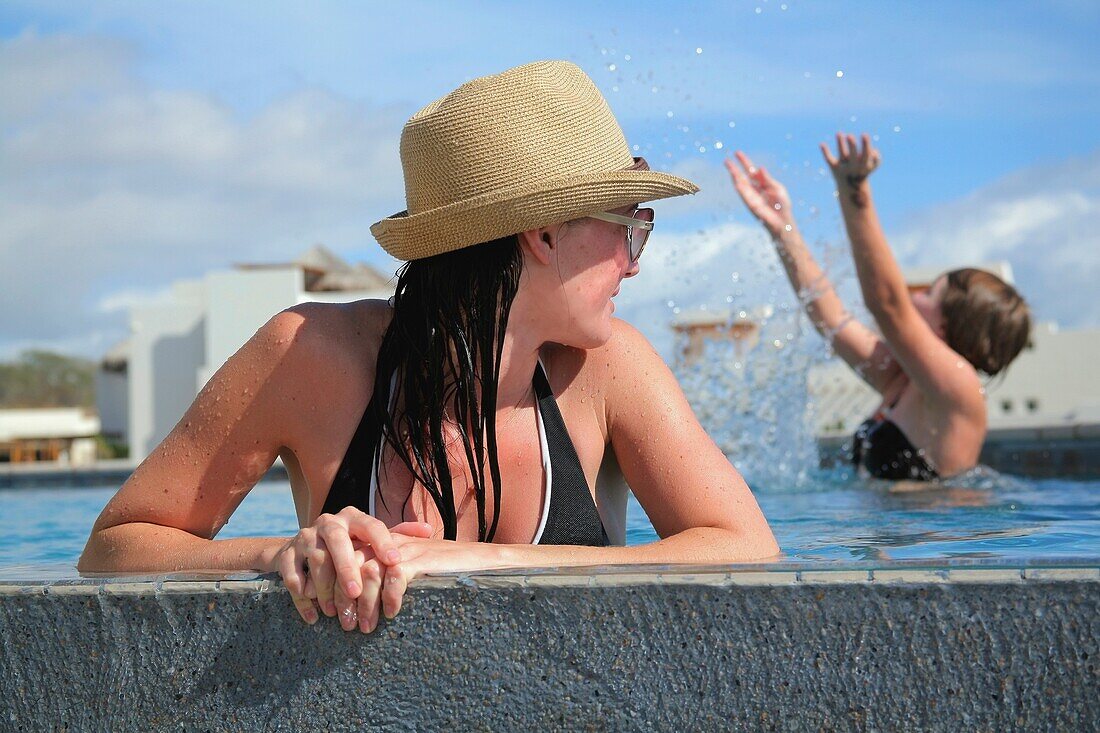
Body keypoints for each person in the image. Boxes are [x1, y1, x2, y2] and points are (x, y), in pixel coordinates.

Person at [79, 61, 779, 633]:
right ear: (543, 233)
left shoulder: (609, 370)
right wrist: (280, 553)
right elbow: (113, 548)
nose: (633, 261)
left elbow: (747, 547)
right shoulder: (308, 357)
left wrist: (475, 561)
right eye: (627, 226)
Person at [727, 133, 1030, 481]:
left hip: (939, 536)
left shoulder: (959, 391)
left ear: (953, 324)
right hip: (888, 533)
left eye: (930, 295)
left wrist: (855, 189)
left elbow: (887, 304)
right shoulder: (903, 382)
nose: (916, 298)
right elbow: (832, 320)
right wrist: (783, 228)